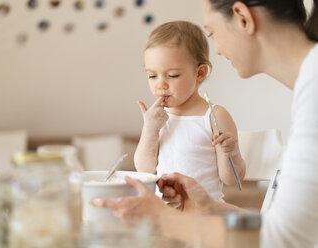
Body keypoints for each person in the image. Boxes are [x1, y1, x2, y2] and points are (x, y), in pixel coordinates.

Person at [91, 0, 318, 247]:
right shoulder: (308, 87)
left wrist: (163, 219)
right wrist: (209, 206)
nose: (217, 49)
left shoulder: (312, 89)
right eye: (152, 75)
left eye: (213, 33)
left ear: (243, 17)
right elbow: (280, 228)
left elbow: (282, 239)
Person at [134, 21, 246, 202]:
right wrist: (150, 129)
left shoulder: (214, 116)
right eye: (152, 75)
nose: (160, 84)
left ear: (200, 73)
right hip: (167, 214)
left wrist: (231, 153)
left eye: (172, 75)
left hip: (205, 214)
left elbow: (233, 180)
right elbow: (144, 170)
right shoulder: (157, 118)